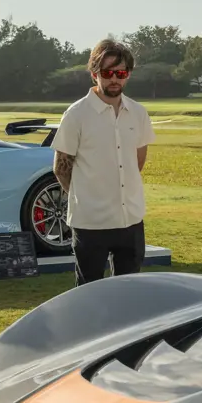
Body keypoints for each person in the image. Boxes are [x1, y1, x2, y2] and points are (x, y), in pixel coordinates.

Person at [52, 39, 156, 284]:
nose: (114, 79)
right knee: (89, 296)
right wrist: (86, 197)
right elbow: (61, 168)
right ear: (94, 74)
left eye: (121, 73)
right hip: (90, 224)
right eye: (107, 73)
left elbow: (137, 162)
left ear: (128, 74)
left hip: (130, 220)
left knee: (128, 294)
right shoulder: (76, 114)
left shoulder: (138, 113)